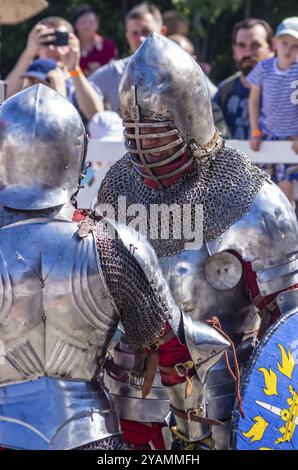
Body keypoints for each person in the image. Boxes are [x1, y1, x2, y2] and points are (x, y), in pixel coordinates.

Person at [97, 33, 298, 450]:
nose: (141, 147)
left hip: (221, 401)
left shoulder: (255, 204)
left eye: (153, 133)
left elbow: (289, 332)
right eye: (131, 133)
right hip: (127, 398)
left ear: (190, 120)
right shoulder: (118, 187)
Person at [0, 84, 229, 450]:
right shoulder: (112, 243)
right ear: (77, 160)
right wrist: (191, 435)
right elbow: (175, 351)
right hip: (89, 432)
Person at [6, 16, 102, 121]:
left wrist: (74, 69)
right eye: (45, 42)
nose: (52, 49)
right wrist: (29, 52)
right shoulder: (29, 77)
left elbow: (96, 116)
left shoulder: (77, 80)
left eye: (58, 41)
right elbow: (7, 99)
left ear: (71, 44)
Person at [247, 17, 298, 207]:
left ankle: (290, 233)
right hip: (266, 134)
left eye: (295, 45)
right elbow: (253, 100)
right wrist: (255, 131)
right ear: (275, 43)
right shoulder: (264, 67)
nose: (289, 49)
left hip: (291, 137)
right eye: (285, 43)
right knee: (263, 189)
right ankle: (264, 230)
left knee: (287, 193)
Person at [88, 3, 167, 113]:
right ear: (127, 36)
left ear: (162, 32)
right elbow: (78, 96)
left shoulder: (179, 70)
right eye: (134, 33)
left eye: (146, 32)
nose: (141, 39)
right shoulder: (114, 72)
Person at [213, 18, 274, 139]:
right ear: (234, 51)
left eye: (255, 45)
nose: (247, 53)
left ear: (271, 48)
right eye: (241, 45)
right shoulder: (225, 92)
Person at [73, 4, 118, 76]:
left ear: (97, 24)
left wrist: (100, 71)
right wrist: (78, 75)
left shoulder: (108, 46)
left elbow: (114, 72)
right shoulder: (70, 46)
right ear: (76, 24)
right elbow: (67, 71)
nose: (87, 26)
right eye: (83, 22)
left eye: (91, 22)